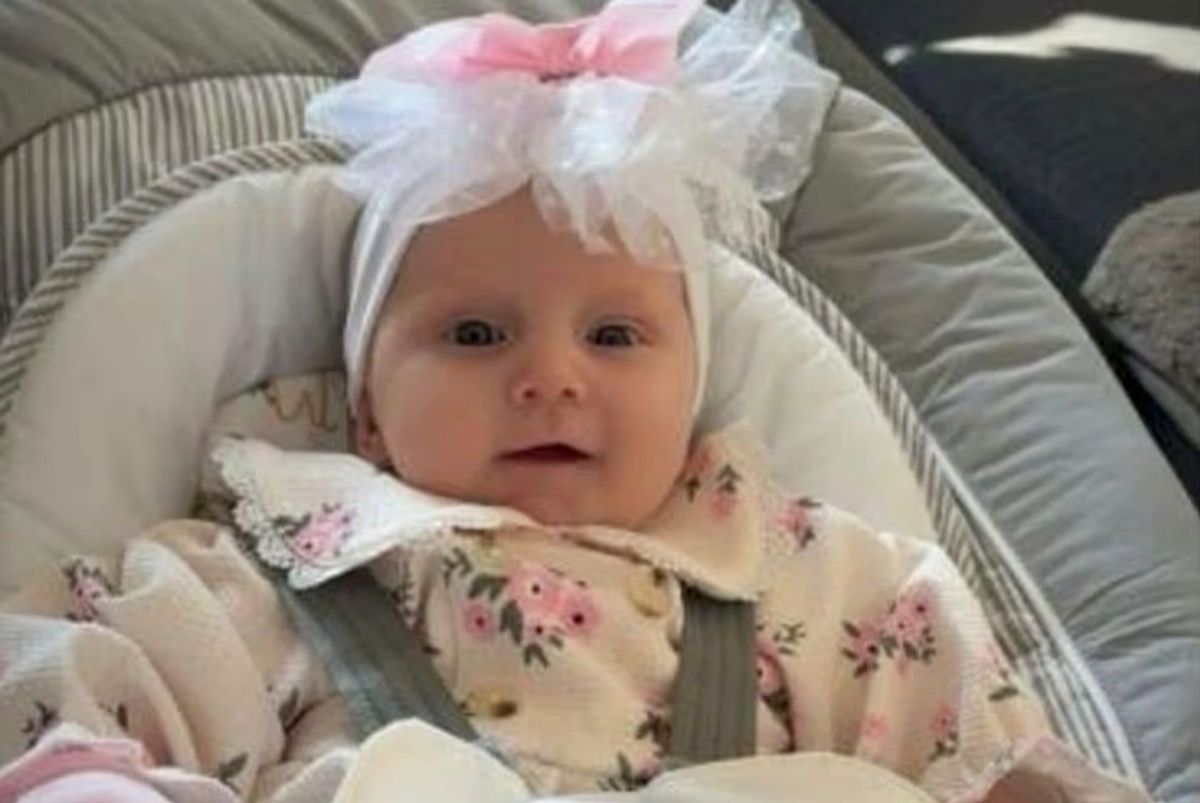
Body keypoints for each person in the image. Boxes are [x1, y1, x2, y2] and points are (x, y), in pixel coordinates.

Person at [0, 0, 1152, 801]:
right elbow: (81, 695)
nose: (550, 375)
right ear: (364, 413)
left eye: (613, 334)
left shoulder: (817, 576)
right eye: (473, 332)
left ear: (692, 384)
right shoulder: (273, 571)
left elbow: (972, 744)